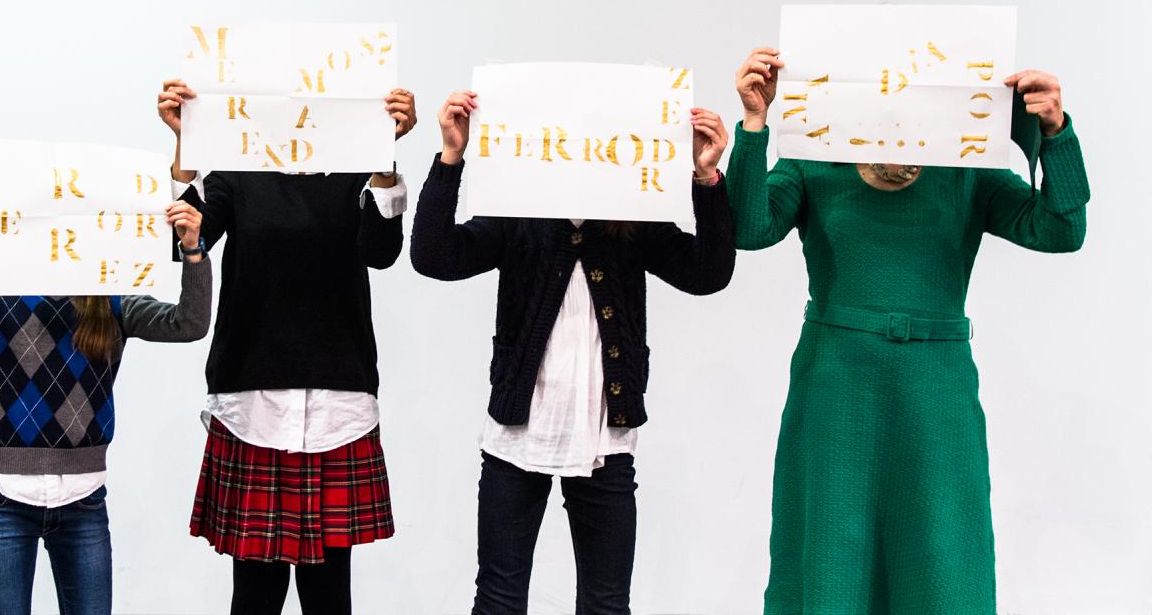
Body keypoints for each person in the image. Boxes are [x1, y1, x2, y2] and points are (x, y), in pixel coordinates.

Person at [725, 47, 1089, 614]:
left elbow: (1061, 230)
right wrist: (754, 125)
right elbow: (748, 229)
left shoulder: (966, 164)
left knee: (943, 548)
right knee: (830, 542)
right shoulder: (815, 155)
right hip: (836, 380)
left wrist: (1055, 132)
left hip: (935, 385)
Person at [409, 89, 737, 615]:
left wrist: (706, 180)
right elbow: (434, 256)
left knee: (606, 604)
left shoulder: (634, 221)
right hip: (516, 438)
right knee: (498, 598)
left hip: (605, 438)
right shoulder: (517, 214)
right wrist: (451, 159)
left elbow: (708, 273)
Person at [157, 79, 417, 615]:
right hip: (254, 402)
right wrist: (188, 149)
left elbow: (382, 251)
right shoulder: (238, 175)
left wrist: (383, 154)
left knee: (329, 598)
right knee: (254, 596)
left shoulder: (354, 175)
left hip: (337, 404)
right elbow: (192, 240)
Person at [0, 199, 212, 615]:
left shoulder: (111, 297)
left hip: (84, 500)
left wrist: (193, 252)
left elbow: (189, 325)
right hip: (2, 499)